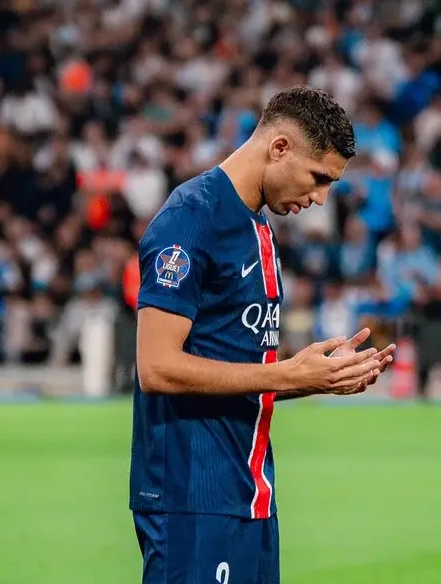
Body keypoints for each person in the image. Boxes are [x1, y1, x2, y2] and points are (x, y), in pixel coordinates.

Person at [129, 86, 396, 584]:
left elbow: (242, 371)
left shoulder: (258, 227)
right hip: (193, 497)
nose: (320, 199)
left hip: (249, 493)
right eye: (319, 178)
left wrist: (316, 376)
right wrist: (289, 374)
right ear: (279, 148)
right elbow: (157, 367)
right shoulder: (192, 217)